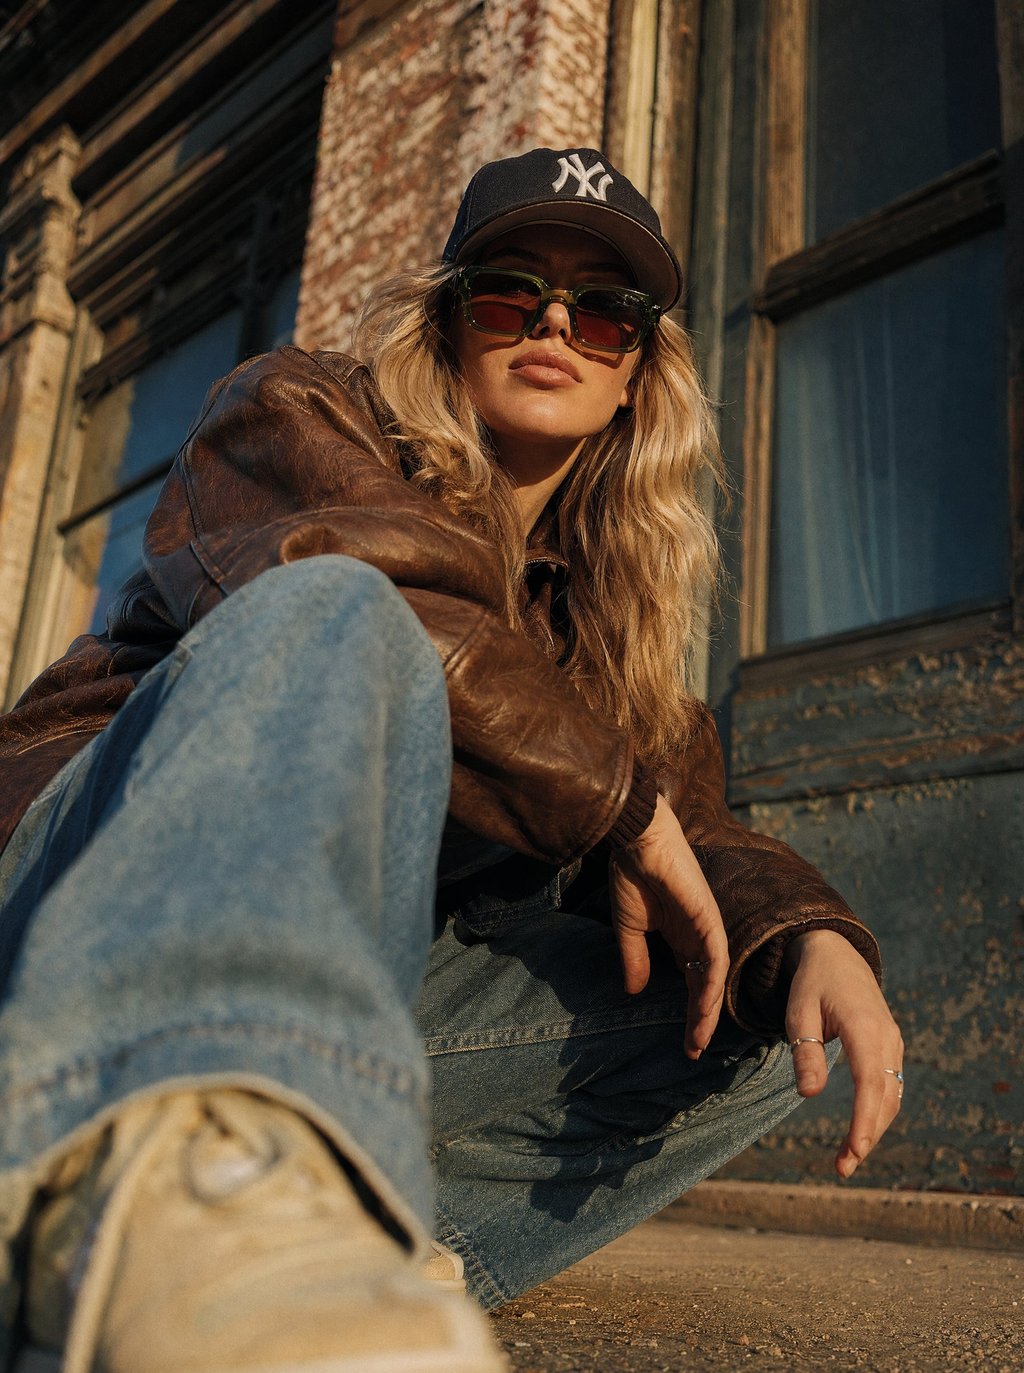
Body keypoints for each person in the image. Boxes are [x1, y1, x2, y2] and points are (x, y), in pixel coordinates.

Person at [0, 147, 903, 1372]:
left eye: (602, 310)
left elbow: (696, 836)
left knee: (744, 1015)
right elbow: (387, 595)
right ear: (446, 320)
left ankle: (288, 1258)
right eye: (508, 289)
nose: (553, 325)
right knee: (346, 610)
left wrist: (807, 926)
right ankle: (184, 1159)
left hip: (350, 997)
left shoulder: (616, 654)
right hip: (76, 905)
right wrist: (618, 802)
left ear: (638, 370)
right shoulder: (292, 411)